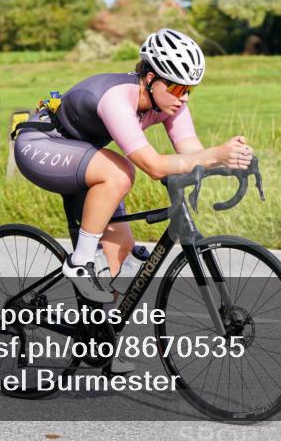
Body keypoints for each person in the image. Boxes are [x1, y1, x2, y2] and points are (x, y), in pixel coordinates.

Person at [13, 28, 254, 306]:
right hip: (40, 145)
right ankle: (80, 262)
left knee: (122, 255)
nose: (184, 97)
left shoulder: (171, 104)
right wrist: (215, 155)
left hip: (79, 154)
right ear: (151, 78)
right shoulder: (117, 98)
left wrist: (230, 161)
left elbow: (192, 153)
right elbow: (153, 167)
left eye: (190, 89)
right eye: (177, 87)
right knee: (120, 171)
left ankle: (96, 336)